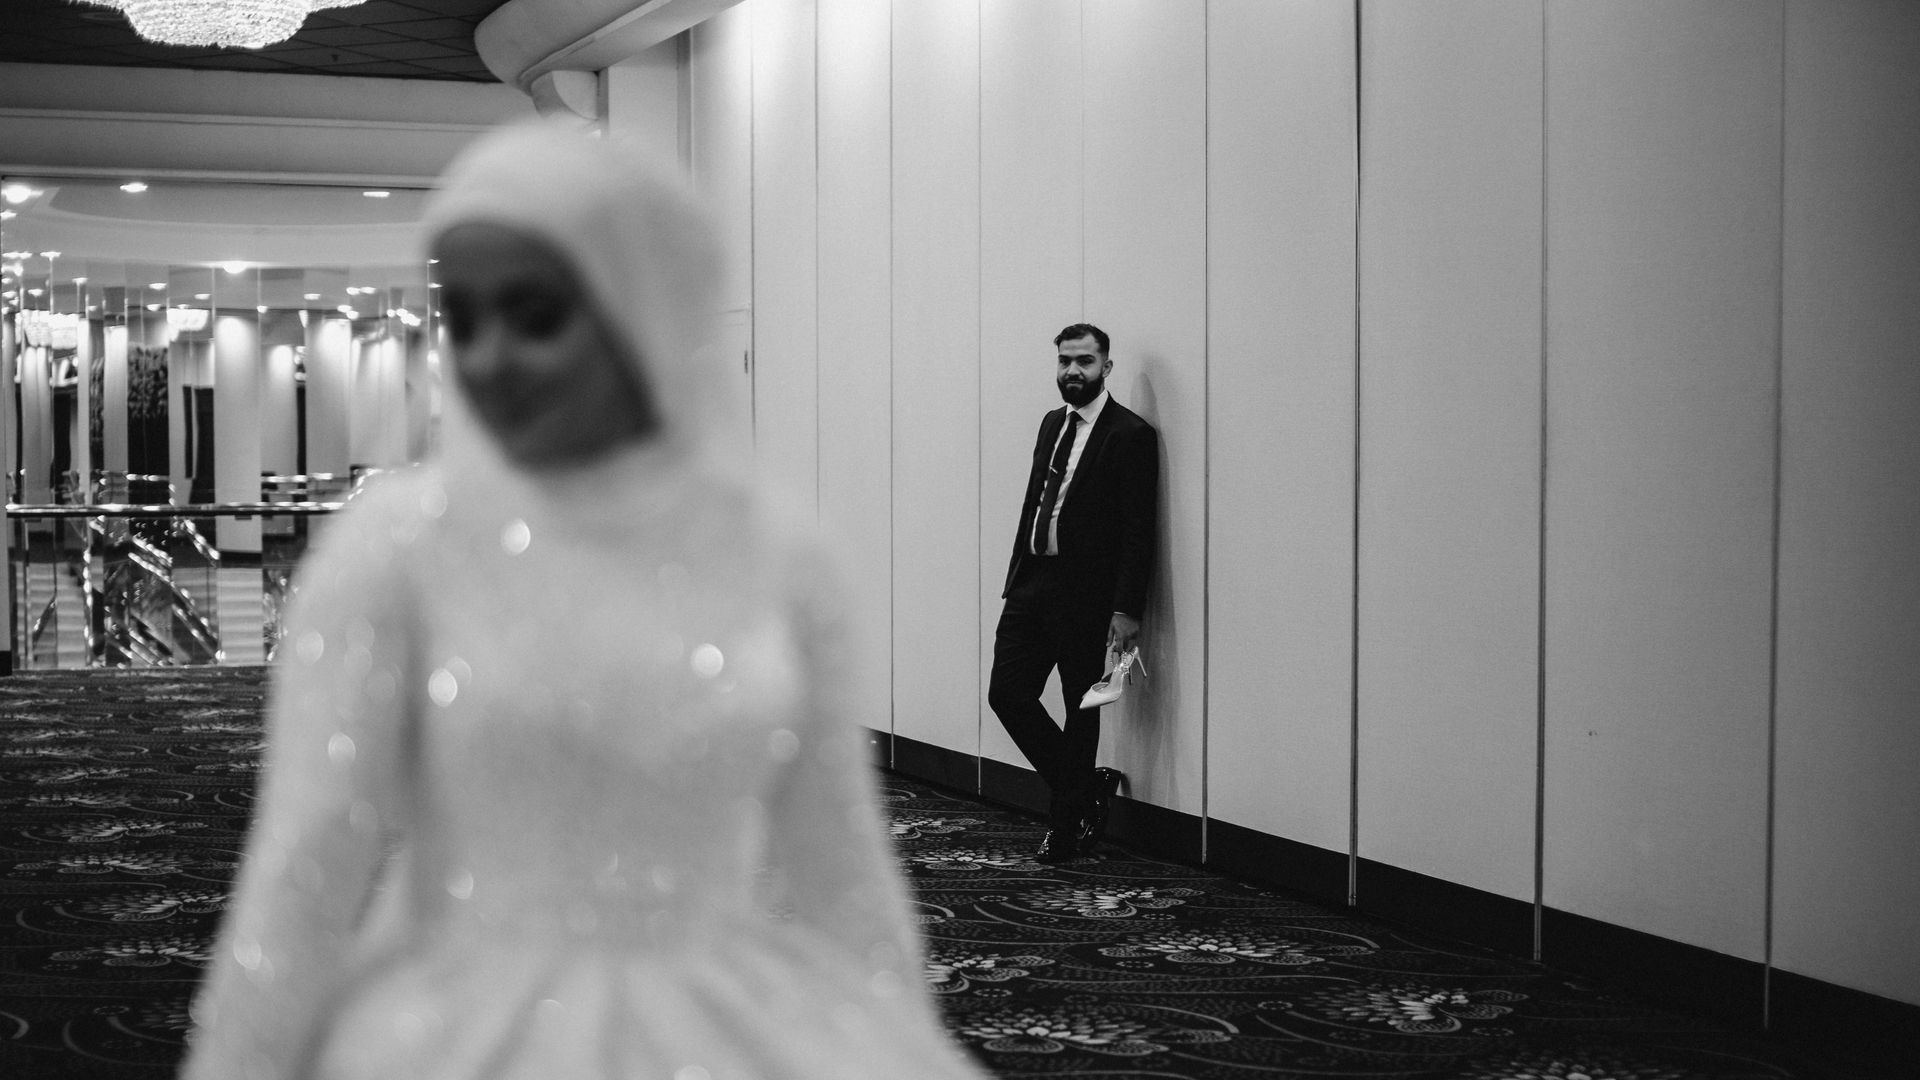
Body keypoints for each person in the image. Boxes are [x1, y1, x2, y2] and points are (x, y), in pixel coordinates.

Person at [182, 121, 986, 1080]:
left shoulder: (778, 553)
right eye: (463, 319)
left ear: (635, 306)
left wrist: (899, 1030)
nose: (489, 359)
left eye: (535, 314)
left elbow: (838, 857)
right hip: (452, 1033)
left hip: (738, 1024)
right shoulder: (398, 546)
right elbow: (305, 868)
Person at [987, 324, 1159, 864]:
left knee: (1080, 708)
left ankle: (1065, 828)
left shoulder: (1129, 434)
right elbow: (1037, 502)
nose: (1071, 372)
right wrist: (1017, 574)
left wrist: (1127, 608)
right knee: (1007, 694)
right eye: (1064, 361)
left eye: (1084, 362)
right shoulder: (1050, 425)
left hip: (1087, 596)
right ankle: (1085, 789)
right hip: (1033, 583)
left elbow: (1138, 528)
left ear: (1106, 367)